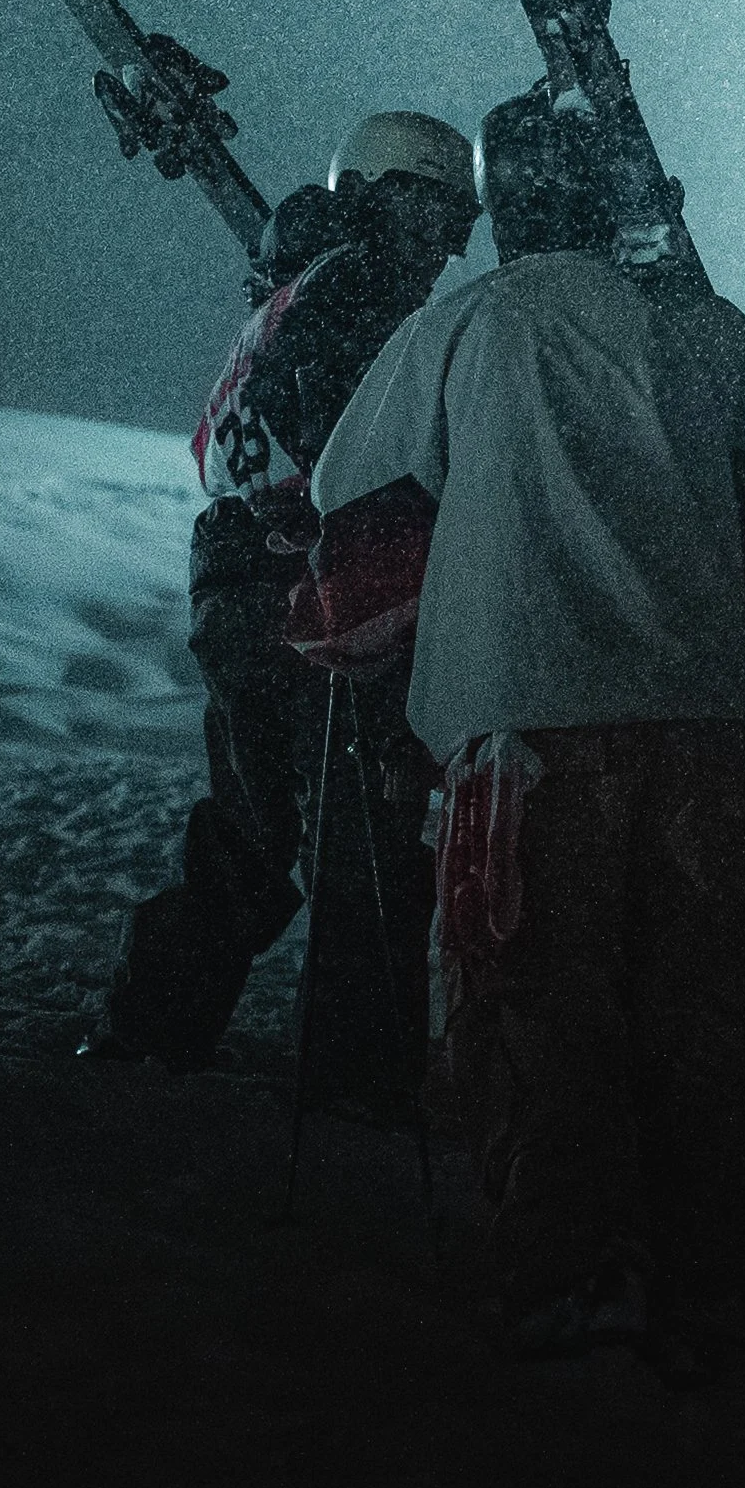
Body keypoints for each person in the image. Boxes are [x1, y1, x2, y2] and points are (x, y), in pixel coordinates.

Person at [290, 88, 745, 1370]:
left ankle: (570, 1274)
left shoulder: (466, 325)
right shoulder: (708, 331)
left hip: (524, 724)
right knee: (706, 1010)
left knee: (538, 1005)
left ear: (501, 202)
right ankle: (715, 1274)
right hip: (706, 727)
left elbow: (345, 493)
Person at [80, 111, 479, 1074]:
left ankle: (150, 1030)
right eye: (428, 216)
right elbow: (360, 447)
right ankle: (358, 1077)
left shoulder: (286, 294)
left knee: (252, 829)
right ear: (376, 199)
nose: (443, 247)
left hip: (239, 586)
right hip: (324, 598)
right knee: (367, 847)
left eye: (455, 226)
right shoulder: (365, 294)